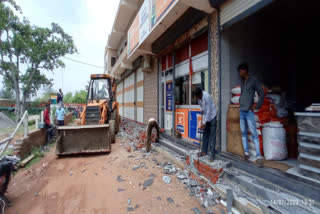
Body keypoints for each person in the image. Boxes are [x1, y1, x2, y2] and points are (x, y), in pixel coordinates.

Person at [238, 62, 265, 167]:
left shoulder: (253, 80)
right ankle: (246, 154)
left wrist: (257, 106)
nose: (239, 73)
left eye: (240, 71)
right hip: (241, 111)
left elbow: (261, 93)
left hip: (249, 112)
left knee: (254, 134)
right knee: (243, 133)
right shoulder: (243, 82)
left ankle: (259, 158)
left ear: (245, 71)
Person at [194, 88, 217, 162]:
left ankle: (212, 155)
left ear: (200, 94)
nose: (197, 99)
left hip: (212, 116)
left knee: (212, 136)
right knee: (205, 134)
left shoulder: (206, 97)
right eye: (197, 97)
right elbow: (202, 108)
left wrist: (204, 123)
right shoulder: (199, 99)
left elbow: (209, 111)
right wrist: (201, 111)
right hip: (206, 116)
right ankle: (204, 151)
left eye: (198, 97)